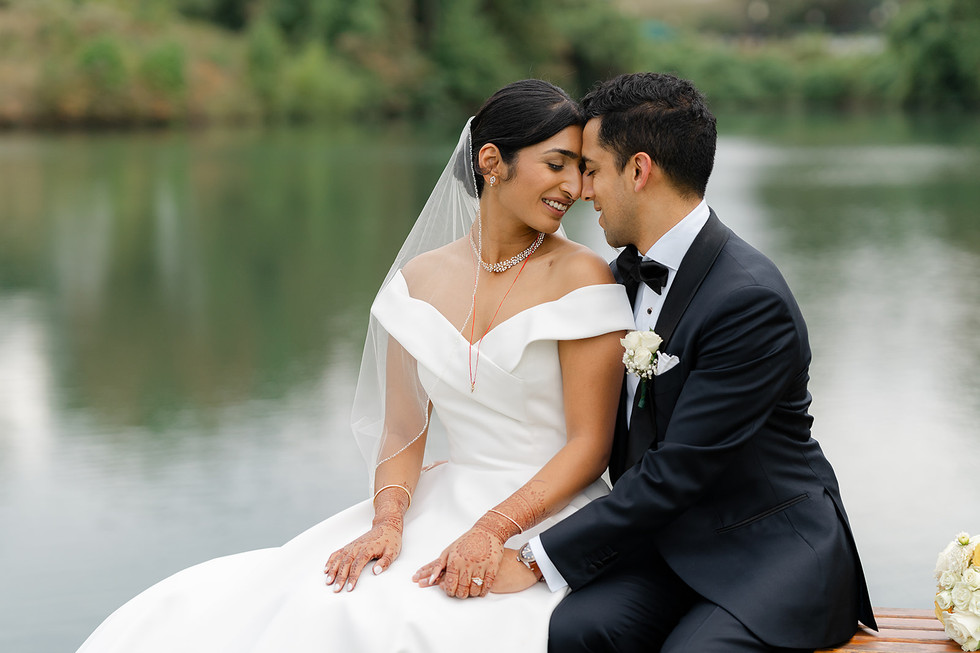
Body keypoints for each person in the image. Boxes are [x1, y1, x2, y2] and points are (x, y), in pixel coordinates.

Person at [75, 79, 635, 653]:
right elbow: (402, 430)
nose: (574, 188)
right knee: (318, 604)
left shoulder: (582, 276)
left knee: (429, 623)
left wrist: (492, 530)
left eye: (581, 170)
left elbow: (590, 446)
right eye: (556, 166)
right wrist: (388, 521)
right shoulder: (421, 280)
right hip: (443, 498)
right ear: (492, 162)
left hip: (546, 510)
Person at [493, 72, 878, 652]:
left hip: (769, 549)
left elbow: (677, 470)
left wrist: (533, 557)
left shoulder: (749, 302)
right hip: (667, 545)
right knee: (572, 631)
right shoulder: (616, 279)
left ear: (639, 171)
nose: (583, 191)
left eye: (592, 169)